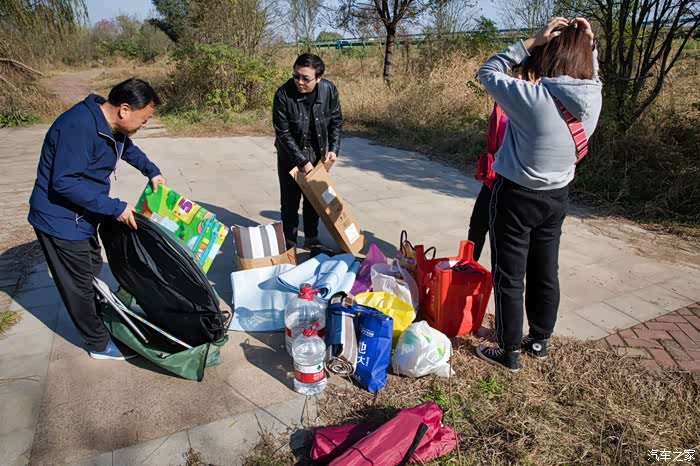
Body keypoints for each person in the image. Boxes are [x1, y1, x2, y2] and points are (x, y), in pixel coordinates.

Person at [475, 18, 602, 372]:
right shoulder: (593, 98)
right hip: (557, 197)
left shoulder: (533, 97)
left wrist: (531, 41)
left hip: (516, 196)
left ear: (550, 55)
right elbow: (593, 76)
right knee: (546, 270)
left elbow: (487, 71)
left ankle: (509, 351)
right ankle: (539, 341)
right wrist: (590, 46)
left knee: (509, 274)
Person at [28, 78, 166, 361]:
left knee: (90, 270)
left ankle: (100, 320)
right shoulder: (78, 126)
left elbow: (125, 147)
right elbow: (64, 182)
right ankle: (98, 343)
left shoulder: (110, 124)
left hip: (83, 215)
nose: (144, 125)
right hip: (60, 219)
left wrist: (151, 170)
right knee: (78, 286)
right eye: (144, 119)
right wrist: (115, 207)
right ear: (124, 110)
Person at [273, 53, 343, 248]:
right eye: (296, 76)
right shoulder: (283, 94)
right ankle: (289, 241)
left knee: (315, 200)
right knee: (290, 200)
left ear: (318, 78)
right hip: (290, 154)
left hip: (318, 152)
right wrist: (302, 161)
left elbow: (336, 121)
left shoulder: (329, 90)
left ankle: (312, 238)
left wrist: (333, 148)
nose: (300, 82)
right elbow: (283, 133)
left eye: (306, 78)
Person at [468, 65, 522, 262]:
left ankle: (499, 275)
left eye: (523, 72)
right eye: (515, 72)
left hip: (515, 182)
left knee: (501, 236)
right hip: (493, 177)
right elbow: (488, 71)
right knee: (477, 225)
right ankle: (468, 269)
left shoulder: (536, 107)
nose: (518, 77)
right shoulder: (503, 101)